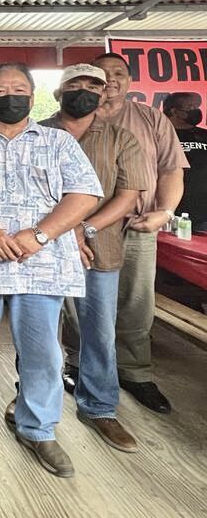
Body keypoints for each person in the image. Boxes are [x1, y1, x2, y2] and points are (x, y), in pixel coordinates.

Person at [0, 62, 103, 478]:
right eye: (1, 90)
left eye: (20, 89)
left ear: (32, 95)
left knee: (43, 351)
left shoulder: (58, 143)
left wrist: (40, 235)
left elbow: (85, 194)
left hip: (42, 265)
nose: (12, 96)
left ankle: (38, 427)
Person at [38, 63, 147, 453]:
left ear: (104, 95)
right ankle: (31, 399)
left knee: (99, 331)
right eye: (75, 85)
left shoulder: (121, 139)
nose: (84, 91)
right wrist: (65, 231)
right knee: (38, 331)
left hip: (99, 247)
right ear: (58, 92)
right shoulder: (37, 134)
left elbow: (128, 195)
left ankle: (100, 407)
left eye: (93, 86)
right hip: (42, 248)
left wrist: (85, 228)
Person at [93, 53, 187, 414]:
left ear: (130, 81)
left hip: (135, 224)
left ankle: (134, 372)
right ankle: (76, 363)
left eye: (118, 73)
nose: (110, 80)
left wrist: (164, 212)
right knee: (77, 304)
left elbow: (171, 171)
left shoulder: (151, 118)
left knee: (135, 301)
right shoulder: (76, 116)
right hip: (78, 228)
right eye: (102, 74)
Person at [163, 92, 207, 230]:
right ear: (174, 111)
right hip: (172, 209)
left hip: (203, 212)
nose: (196, 110)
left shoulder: (204, 135)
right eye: (190, 107)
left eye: (196, 106)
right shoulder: (160, 135)